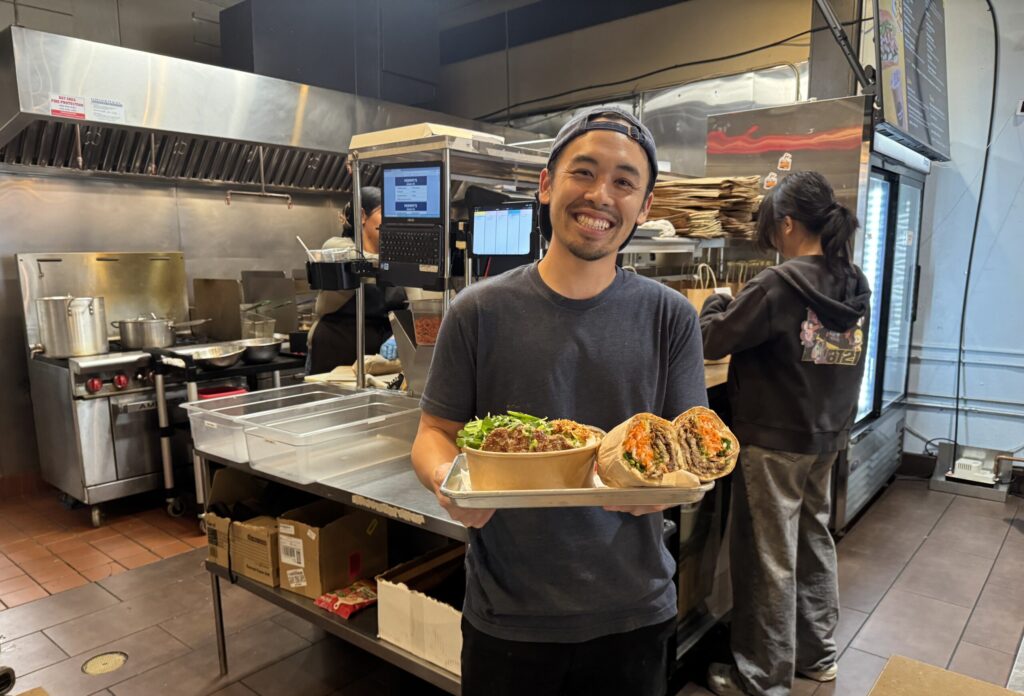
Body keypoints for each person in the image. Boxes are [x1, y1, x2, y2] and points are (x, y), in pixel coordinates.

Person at [410, 105, 708, 696]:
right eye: (584, 172)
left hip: (633, 610)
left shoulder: (670, 317)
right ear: (546, 184)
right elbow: (433, 432)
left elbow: (687, 453)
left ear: (644, 208)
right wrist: (449, 483)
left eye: (625, 182)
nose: (601, 196)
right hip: (509, 617)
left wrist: (666, 489)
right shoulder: (478, 309)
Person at [701, 171, 871, 696]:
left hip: (772, 441)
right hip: (827, 437)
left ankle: (761, 677)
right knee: (813, 542)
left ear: (789, 223)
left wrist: (714, 302)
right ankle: (817, 657)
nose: (771, 237)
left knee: (767, 560)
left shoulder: (778, 284)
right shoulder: (852, 282)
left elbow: (713, 342)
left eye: (773, 226)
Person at [306, 186, 407, 373]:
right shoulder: (337, 247)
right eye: (385, 213)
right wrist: (402, 261)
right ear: (362, 216)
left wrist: (399, 335)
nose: (393, 222)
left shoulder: (396, 258)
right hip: (334, 351)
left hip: (377, 359)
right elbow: (359, 259)